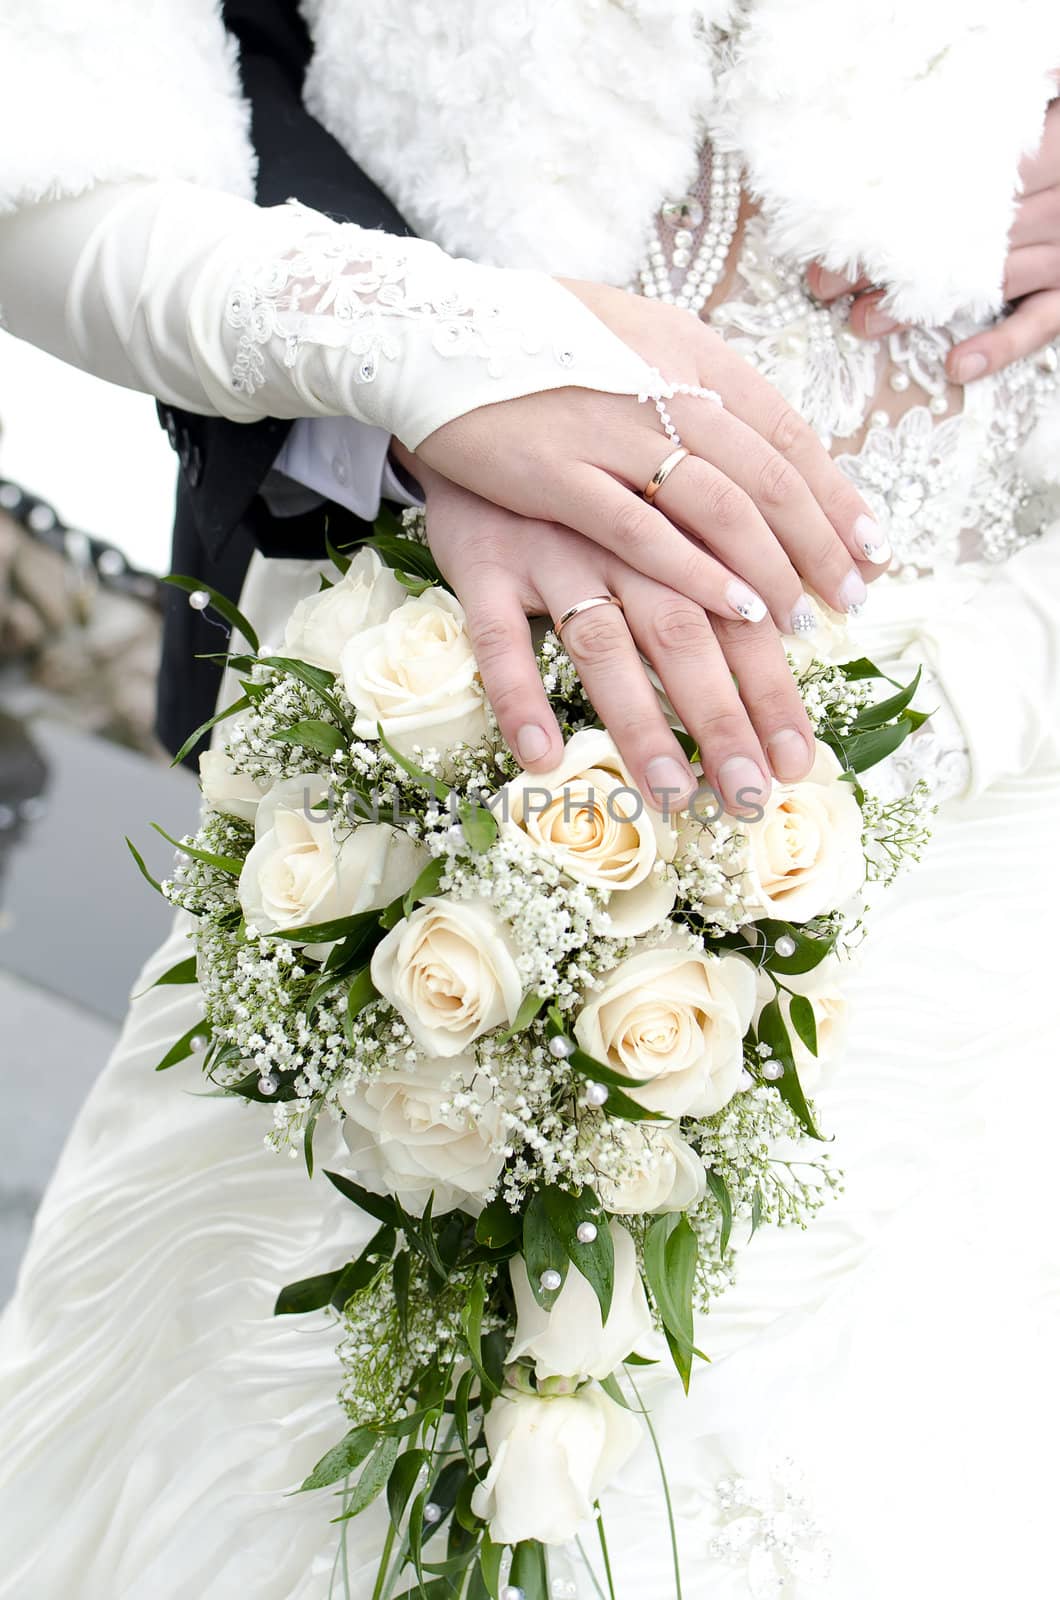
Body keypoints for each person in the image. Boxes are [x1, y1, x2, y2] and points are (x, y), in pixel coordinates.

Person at [0, 3, 1059, 1596]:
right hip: (425, 741)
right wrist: (442, 360)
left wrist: (932, 724)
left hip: (983, 848)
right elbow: (44, 137)